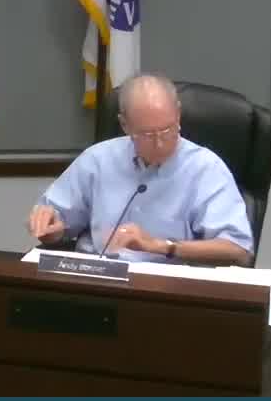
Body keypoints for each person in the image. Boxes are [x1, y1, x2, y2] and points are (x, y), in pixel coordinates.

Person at [28, 73, 253, 263]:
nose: (160, 143)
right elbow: (57, 225)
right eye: (147, 134)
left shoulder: (206, 169)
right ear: (125, 125)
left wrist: (161, 246)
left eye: (167, 130)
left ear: (178, 114)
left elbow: (238, 250)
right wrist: (50, 230)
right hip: (94, 277)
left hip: (164, 288)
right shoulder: (97, 159)